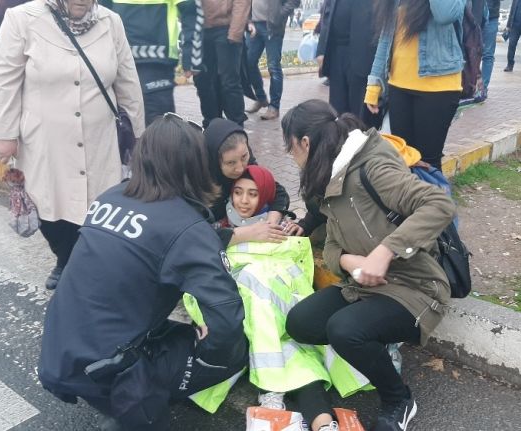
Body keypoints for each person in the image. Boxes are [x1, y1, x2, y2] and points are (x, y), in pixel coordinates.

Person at [38, 115, 248, 431]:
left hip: (60, 348)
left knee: (171, 333)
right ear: (195, 165)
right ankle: (135, 404)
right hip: (106, 367)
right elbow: (227, 318)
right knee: (233, 351)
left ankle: (128, 397)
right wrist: (207, 352)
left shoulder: (111, 196)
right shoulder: (186, 227)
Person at [281, 99, 455, 431]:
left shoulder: (372, 167)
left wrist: (385, 251)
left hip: (415, 288)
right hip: (363, 287)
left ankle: (399, 399)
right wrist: (347, 259)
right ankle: (377, 334)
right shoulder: (329, 177)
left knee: (345, 331)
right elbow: (332, 244)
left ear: (305, 142)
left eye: (290, 149)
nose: (292, 158)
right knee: (300, 323)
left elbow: (438, 204)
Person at [0, 0, 145, 290]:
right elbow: (4, 80)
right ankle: (64, 257)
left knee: (101, 201)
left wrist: (137, 133)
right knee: (49, 203)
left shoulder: (110, 22)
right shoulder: (22, 19)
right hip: (45, 138)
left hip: (100, 136)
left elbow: (128, 80)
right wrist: (6, 134)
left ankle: (90, 259)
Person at [202, 164, 340, 431]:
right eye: (238, 192)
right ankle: (312, 416)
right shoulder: (218, 229)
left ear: (264, 196)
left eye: (253, 194)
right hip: (251, 313)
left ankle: (315, 419)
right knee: (297, 360)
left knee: (293, 350)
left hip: (280, 311)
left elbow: (293, 270)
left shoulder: (280, 228)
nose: (243, 201)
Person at [365, 0, 465, 170]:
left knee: (428, 162)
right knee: (403, 159)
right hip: (398, 85)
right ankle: (410, 197)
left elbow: (445, 14)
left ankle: (432, 196)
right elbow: (386, 39)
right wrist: (374, 86)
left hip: (438, 86)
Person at [101, 0, 204, 125]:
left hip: (156, 61)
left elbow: (190, 10)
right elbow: (98, 13)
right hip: (125, 58)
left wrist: (191, 57)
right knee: (123, 124)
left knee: (159, 127)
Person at [203, 118, 290, 245]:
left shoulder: (245, 164)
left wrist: (270, 224)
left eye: (244, 157)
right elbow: (195, 235)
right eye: (230, 163)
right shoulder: (197, 183)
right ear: (214, 162)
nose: (240, 168)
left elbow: (278, 192)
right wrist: (247, 233)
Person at [316, 0, 378, 127]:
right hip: (336, 54)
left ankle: (362, 145)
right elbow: (327, 14)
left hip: (363, 54)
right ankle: (341, 144)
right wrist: (321, 49)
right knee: (337, 112)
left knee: (360, 115)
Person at [194, 0, 251, 127]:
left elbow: (241, 3)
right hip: (200, 30)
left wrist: (235, 32)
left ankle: (236, 127)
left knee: (229, 82)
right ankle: (211, 126)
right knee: (203, 82)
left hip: (226, 28)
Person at [244, 0, 300, 120]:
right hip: (253, 25)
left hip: (272, 26)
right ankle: (261, 98)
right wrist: (248, 20)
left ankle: (274, 107)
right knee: (248, 63)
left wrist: (278, 16)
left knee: (273, 67)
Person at [481, 0, 500, 93]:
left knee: (488, 54)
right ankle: (468, 85)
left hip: (492, 17)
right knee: (469, 52)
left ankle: (483, 87)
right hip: (473, 14)